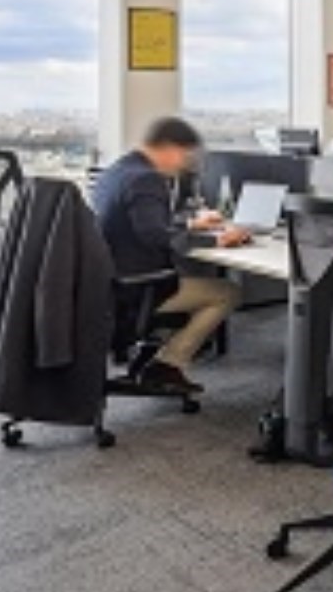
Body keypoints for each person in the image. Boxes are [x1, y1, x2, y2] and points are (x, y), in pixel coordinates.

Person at [92, 116, 245, 395]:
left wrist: (190, 224)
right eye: (184, 155)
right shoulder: (146, 179)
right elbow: (156, 236)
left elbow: (144, 224)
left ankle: (158, 355)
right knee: (228, 292)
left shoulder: (118, 170)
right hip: (137, 288)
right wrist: (218, 239)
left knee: (203, 281)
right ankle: (167, 364)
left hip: (110, 280)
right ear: (169, 148)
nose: (184, 163)